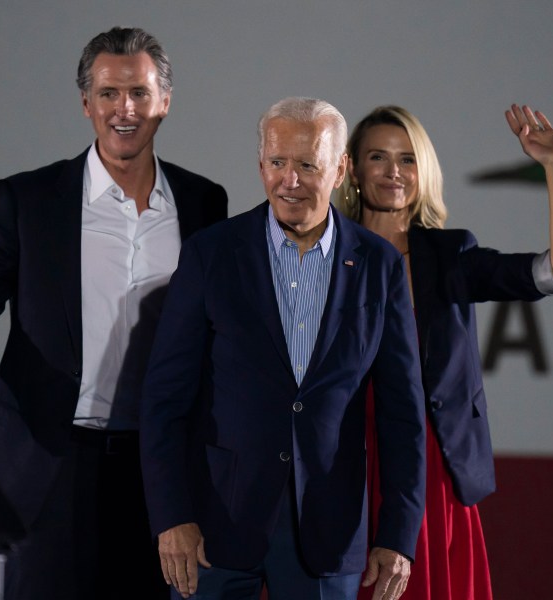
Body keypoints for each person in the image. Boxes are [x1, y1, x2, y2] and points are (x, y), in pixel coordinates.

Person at [0, 26, 228, 599]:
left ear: (164, 101)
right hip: (46, 469)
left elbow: (216, 338)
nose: (124, 109)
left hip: (153, 474)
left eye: (139, 92)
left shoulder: (204, 204)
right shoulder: (31, 202)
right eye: (109, 94)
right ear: (86, 104)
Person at [139, 97, 426, 600]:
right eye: (277, 163)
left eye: (307, 165)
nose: (289, 180)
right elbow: (164, 398)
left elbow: (403, 413)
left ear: (340, 170)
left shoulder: (379, 266)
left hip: (329, 530)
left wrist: (398, 535)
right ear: (260, 165)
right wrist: (171, 517)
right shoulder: (211, 254)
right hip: (213, 528)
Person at [336, 104, 553, 600]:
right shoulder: (324, 250)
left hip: (429, 464)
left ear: (423, 170)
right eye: (378, 157)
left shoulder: (450, 255)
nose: (393, 172)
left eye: (407, 159)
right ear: (353, 169)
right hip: (343, 459)